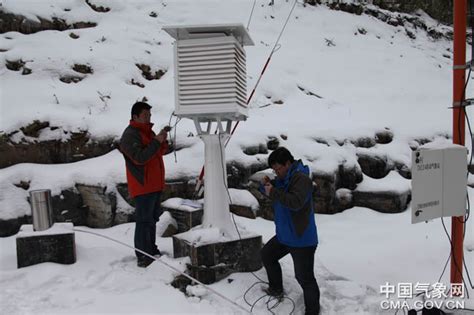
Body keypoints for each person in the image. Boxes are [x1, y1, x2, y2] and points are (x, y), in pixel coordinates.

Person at [260, 147, 320, 315]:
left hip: (302, 239)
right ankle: (276, 289)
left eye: (278, 168)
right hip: (285, 235)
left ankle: (313, 311)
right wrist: (265, 187)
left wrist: (273, 191)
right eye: (274, 170)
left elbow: (295, 202)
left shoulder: (301, 180)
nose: (276, 172)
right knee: (267, 255)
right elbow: (276, 195)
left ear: (288, 163)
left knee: (305, 278)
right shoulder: (284, 178)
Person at [119, 101, 168, 268]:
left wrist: (161, 140)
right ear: (135, 117)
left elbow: (157, 152)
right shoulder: (130, 135)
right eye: (145, 116)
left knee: (152, 219)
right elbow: (139, 158)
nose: (148, 119)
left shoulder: (147, 131)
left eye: (149, 116)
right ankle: (142, 255)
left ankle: (151, 250)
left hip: (154, 184)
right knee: (143, 221)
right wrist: (156, 141)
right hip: (143, 185)